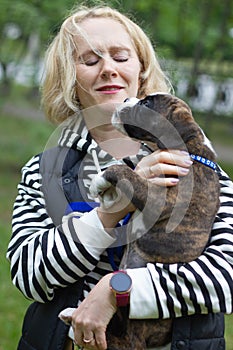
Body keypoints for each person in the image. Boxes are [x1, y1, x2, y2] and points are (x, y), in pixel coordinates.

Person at [6, 4, 233, 350]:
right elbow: (29, 276)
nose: (108, 69)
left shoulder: (195, 159)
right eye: (90, 60)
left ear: (141, 69)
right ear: (70, 77)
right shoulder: (45, 170)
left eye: (121, 57)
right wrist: (111, 209)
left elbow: (223, 278)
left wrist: (116, 291)